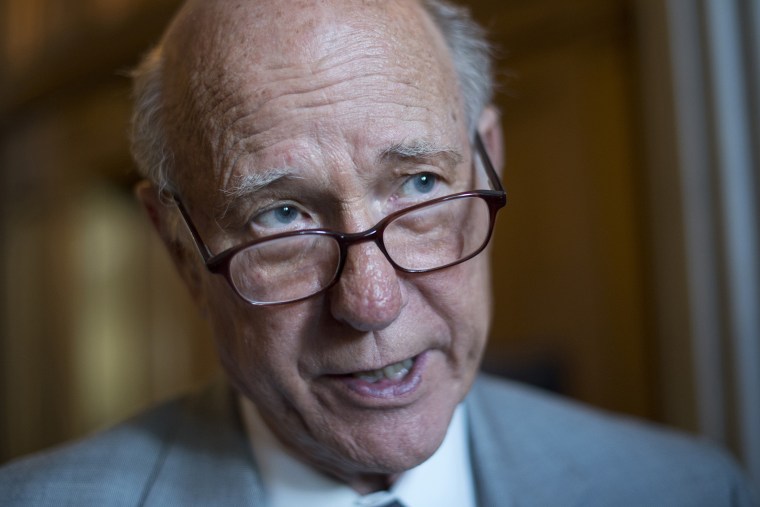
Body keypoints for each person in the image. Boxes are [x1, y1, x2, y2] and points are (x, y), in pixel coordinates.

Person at [1, 0, 756, 505]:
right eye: (282, 215)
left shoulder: (687, 487)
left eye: (420, 183)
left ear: (487, 161)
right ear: (179, 249)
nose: (371, 300)